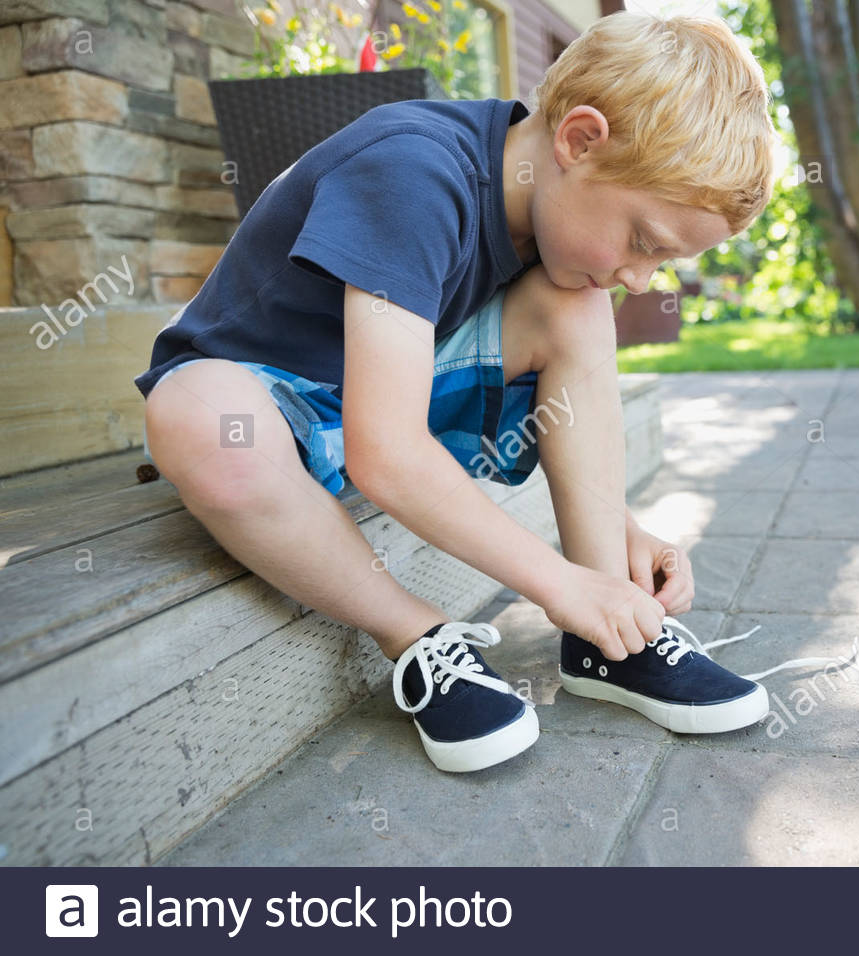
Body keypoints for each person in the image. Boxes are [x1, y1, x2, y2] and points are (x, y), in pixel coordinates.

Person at [134, 11, 785, 773]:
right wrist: (557, 583)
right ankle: (417, 638)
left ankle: (612, 640)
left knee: (572, 300)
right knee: (193, 419)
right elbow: (387, 454)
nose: (641, 278)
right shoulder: (413, 171)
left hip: (381, 400)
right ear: (578, 140)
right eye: (644, 241)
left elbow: (450, 393)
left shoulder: (545, 213)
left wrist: (613, 534)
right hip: (269, 404)